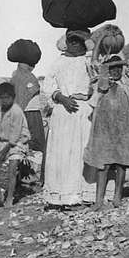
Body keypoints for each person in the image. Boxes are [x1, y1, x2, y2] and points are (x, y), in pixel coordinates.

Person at [41, 29, 94, 208]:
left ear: (84, 44)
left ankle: (84, 194)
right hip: (63, 112)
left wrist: (86, 96)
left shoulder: (88, 62)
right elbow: (48, 86)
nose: (73, 44)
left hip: (82, 111)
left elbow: (96, 84)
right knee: (62, 153)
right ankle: (61, 196)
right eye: (71, 40)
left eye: (78, 41)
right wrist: (62, 98)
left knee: (81, 150)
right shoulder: (58, 62)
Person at [84, 56, 129, 210]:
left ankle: (117, 196)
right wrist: (103, 81)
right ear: (107, 70)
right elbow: (92, 102)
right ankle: (99, 200)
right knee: (104, 164)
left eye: (119, 68)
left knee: (121, 164)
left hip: (123, 130)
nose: (116, 71)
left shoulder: (126, 86)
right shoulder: (101, 85)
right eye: (113, 68)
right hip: (104, 130)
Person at [0, 82, 31, 208]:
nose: (5, 101)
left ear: (13, 97)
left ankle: (10, 197)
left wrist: (4, 152)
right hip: (4, 141)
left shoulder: (16, 111)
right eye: (2, 98)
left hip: (18, 141)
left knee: (12, 169)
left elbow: (15, 135)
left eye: (8, 98)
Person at [11, 61, 45, 154]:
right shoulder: (27, 78)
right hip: (30, 111)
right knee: (34, 139)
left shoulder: (26, 77)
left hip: (30, 110)